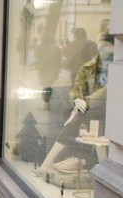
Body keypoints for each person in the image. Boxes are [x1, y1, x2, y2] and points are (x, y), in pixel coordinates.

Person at [39, 36, 113, 171]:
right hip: (91, 109)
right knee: (81, 119)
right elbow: (77, 86)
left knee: (79, 118)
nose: (104, 52)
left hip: (108, 109)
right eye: (101, 48)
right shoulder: (89, 66)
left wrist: (86, 102)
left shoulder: (117, 67)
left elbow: (108, 90)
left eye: (108, 49)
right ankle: (101, 168)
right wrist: (77, 99)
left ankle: (47, 163)